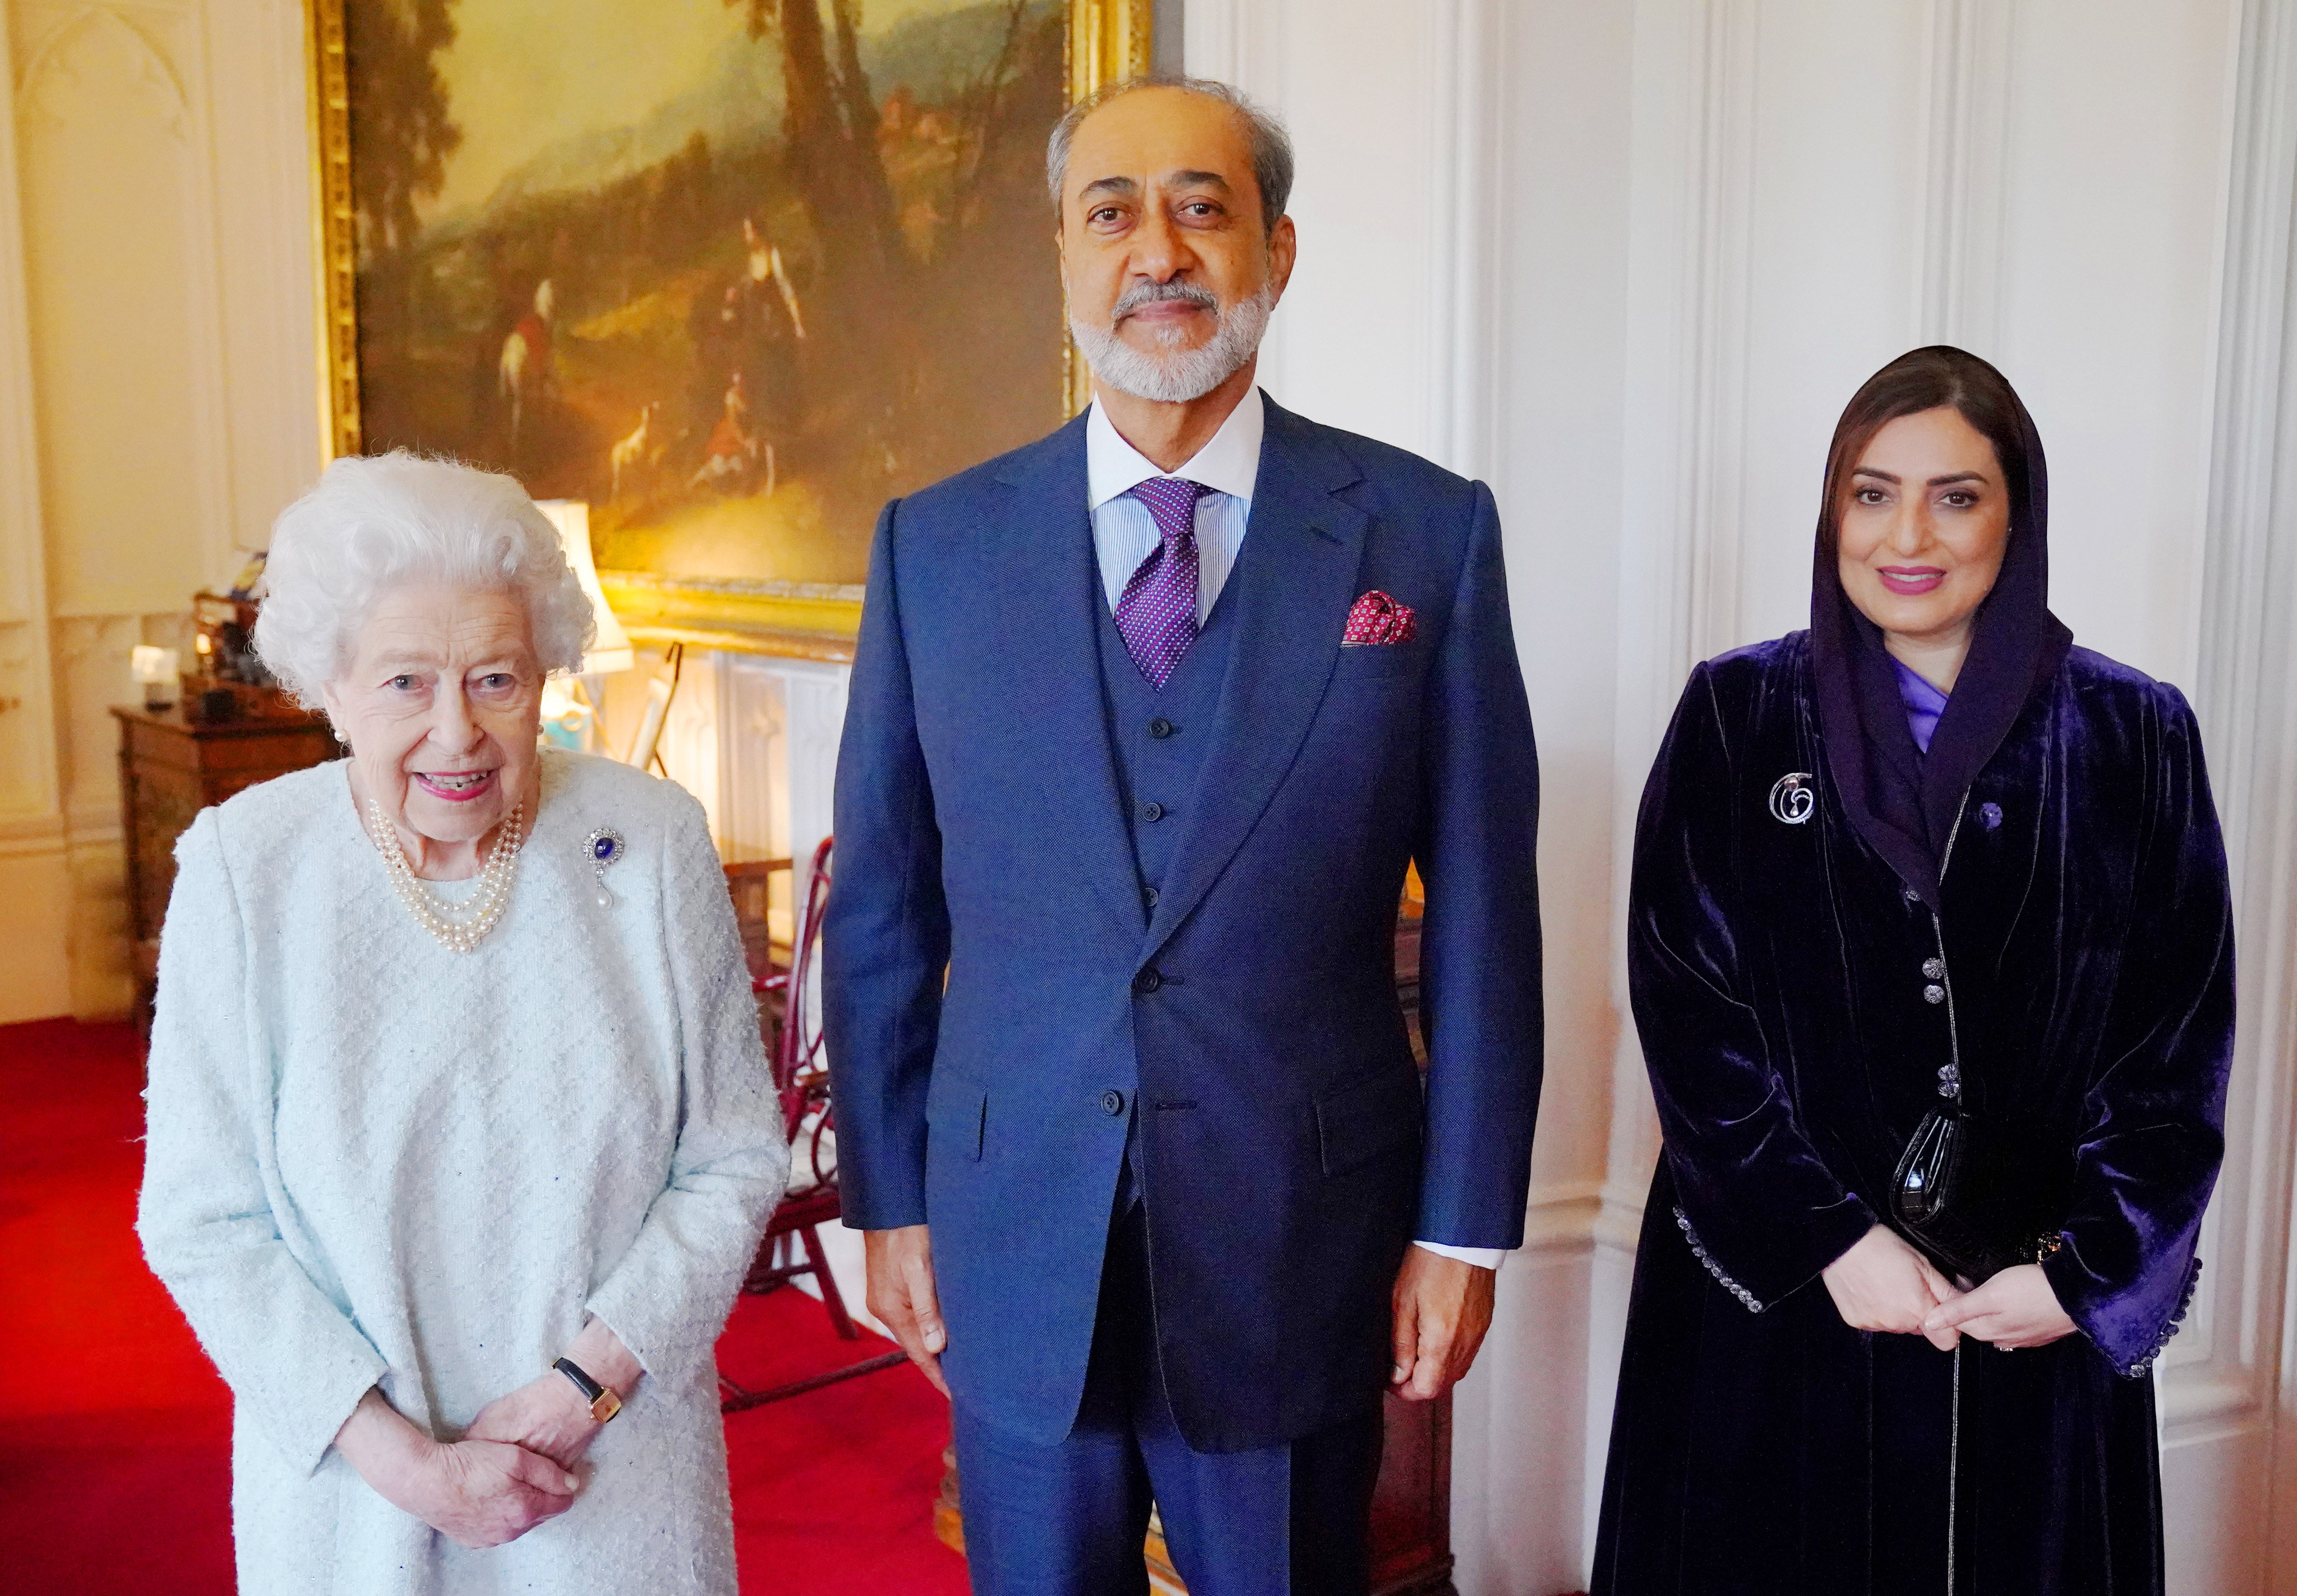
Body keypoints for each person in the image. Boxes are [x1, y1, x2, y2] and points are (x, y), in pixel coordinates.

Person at [823, 74, 1544, 1596]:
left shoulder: (1424, 532)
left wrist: (1465, 1230)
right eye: (1112, 213)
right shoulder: (931, 548)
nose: (1157, 251)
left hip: (1303, 1239)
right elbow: (887, 909)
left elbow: (1486, 912)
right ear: (1066, 261)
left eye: (1201, 207)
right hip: (1011, 1238)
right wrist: (885, 1196)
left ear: (1275, 254)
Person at [1592, 346, 2234, 1593]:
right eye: (1871, 493)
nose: (1908, 537)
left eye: (1956, 495)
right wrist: (1832, 1240)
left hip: (2024, 1306)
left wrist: (2082, 1275)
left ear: (2015, 513)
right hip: (1777, 1302)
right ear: (1832, 510)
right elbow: (1687, 1011)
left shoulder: (2134, 735)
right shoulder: (1735, 716)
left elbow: (2174, 1043)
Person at [137, 453, 789, 1595]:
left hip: (612, 1465)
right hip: (351, 1491)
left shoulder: (649, 839)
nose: (457, 734)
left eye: (495, 679)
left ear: (544, 672)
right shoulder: (246, 872)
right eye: (405, 684)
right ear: (329, 686)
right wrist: (410, 1464)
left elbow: (734, 1157)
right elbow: (205, 1220)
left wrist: (582, 1390)